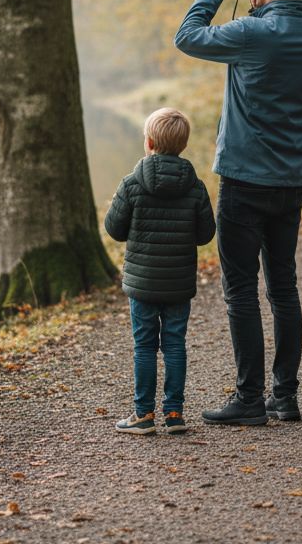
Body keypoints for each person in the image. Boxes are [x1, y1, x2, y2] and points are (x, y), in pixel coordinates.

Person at [174, 0, 302, 425]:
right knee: (283, 288)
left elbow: (188, 37)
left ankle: (248, 400)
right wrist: (259, 0)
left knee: (240, 289)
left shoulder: (251, 33)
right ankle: (285, 396)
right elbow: (276, 33)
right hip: (289, 180)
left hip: (243, 178)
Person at [104, 108, 217, 434]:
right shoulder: (194, 186)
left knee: (144, 346)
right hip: (178, 283)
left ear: (149, 142)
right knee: (174, 344)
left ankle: (143, 415)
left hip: (142, 284)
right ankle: (174, 414)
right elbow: (205, 235)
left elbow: (114, 228)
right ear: (182, 145)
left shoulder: (132, 183)